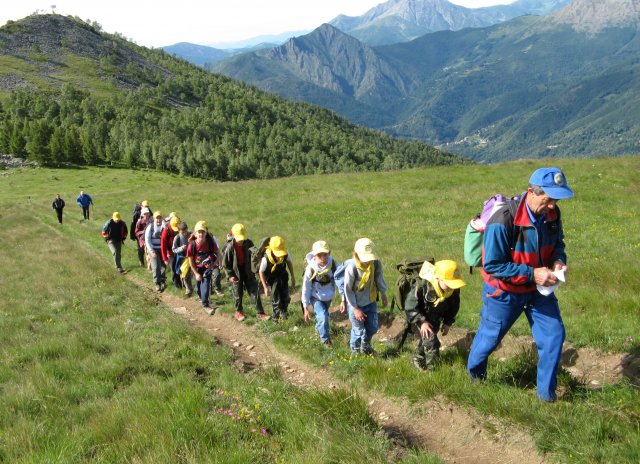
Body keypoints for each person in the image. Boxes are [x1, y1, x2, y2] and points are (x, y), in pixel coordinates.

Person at [467, 167, 574, 402]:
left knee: (554, 335)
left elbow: (559, 244)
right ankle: (475, 380)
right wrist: (533, 274)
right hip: (503, 293)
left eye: (556, 199)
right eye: (548, 199)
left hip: (538, 291)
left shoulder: (552, 215)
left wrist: (558, 260)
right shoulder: (503, 220)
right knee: (489, 340)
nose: (553, 205)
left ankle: (546, 396)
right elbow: (492, 265)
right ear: (531, 192)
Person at [404, 260, 465, 371]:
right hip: (420, 317)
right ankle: (434, 370)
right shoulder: (422, 286)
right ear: (438, 278)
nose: (452, 287)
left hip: (436, 317)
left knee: (426, 341)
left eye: (454, 284)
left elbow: (454, 307)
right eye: (449, 283)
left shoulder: (453, 289)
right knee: (432, 342)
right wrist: (422, 322)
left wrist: (447, 322)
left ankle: (417, 358)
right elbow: (410, 306)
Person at [344, 238, 388, 355]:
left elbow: (379, 278)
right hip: (356, 305)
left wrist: (383, 293)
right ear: (356, 255)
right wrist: (355, 308)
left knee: (373, 327)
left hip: (370, 301)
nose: (368, 261)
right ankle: (355, 351)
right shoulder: (352, 268)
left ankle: (365, 347)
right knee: (359, 330)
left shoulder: (375, 264)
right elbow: (348, 290)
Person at [222, 223, 270, 322]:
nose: (241, 241)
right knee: (237, 292)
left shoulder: (248, 243)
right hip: (236, 272)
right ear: (233, 236)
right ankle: (238, 311)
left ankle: (260, 312)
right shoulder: (230, 247)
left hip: (248, 270)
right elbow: (225, 264)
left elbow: (254, 257)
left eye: (242, 238)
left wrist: (256, 268)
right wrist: (230, 276)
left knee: (254, 290)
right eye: (239, 239)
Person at [301, 240, 337, 346]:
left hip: (328, 296)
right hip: (315, 296)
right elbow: (306, 288)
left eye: (325, 255)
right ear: (314, 255)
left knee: (322, 316)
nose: (322, 258)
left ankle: (319, 329)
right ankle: (326, 341)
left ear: (329, 254)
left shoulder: (333, 264)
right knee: (323, 316)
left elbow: (341, 279)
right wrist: (305, 306)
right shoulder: (310, 268)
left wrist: (344, 298)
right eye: (319, 255)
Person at [258, 236, 296, 322]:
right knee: (276, 300)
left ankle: (284, 312)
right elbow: (261, 272)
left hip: (283, 277)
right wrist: (265, 287)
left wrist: (293, 276)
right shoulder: (266, 259)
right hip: (272, 280)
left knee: (286, 297)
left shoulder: (286, 253)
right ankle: (275, 318)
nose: (280, 256)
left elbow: (289, 262)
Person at [187, 221, 218, 315]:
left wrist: (213, 265)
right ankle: (201, 297)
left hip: (207, 268)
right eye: (199, 232)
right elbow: (190, 261)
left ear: (205, 233)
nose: (201, 234)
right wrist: (196, 273)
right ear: (195, 234)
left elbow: (217, 253)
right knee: (198, 287)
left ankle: (206, 305)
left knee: (205, 286)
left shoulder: (210, 242)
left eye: (202, 232)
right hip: (196, 268)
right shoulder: (192, 245)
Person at [145, 211, 167, 292]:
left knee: (163, 266)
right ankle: (157, 283)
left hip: (162, 249)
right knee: (155, 267)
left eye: (159, 218)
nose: (158, 220)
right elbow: (147, 240)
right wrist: (151, 251)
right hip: (153, 249)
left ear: (162, 218)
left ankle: (163, 281)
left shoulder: (164, 227)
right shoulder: (150, 227)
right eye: (156, 218)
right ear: (154, 219)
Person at [173, 221, 194, 297]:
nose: (185, 234)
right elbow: (174, 249)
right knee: (185, 274)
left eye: (186, 231)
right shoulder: (177, 238)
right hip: (183, 258)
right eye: (182, 232)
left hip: (192, 257)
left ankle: (196, 288)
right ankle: (188, 289)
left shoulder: (192, 234)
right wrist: (181, 248)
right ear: (179, 231)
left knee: (194, 272)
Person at [161, 214, 181, 288]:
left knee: (180, 268)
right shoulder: (166, 231)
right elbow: (163, 245)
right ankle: (177, 286)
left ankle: (183, 285)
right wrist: (165, 258)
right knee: (173, 270)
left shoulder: (181, 228)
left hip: (179, 252)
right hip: (170, 253)